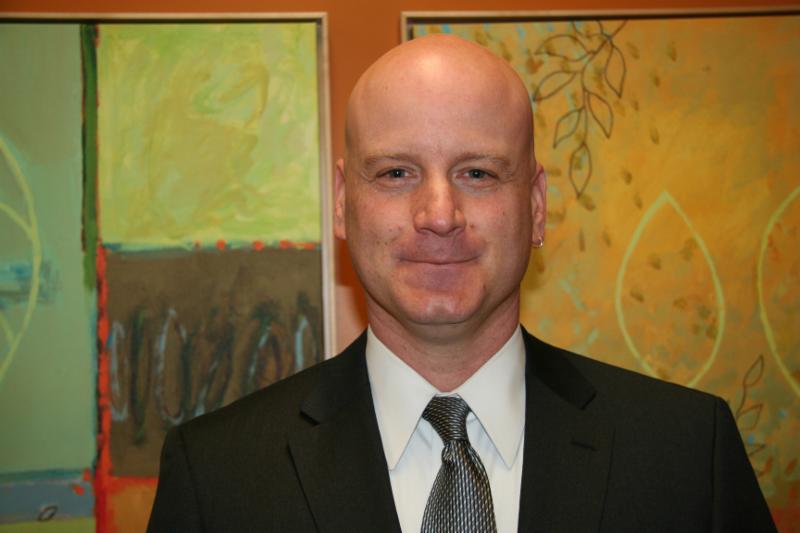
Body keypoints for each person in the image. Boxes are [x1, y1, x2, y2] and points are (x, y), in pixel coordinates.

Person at [147, 34, 775, 532]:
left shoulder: (688, 455)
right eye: (396, 173)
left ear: (535, 205)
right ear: (342, 203)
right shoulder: (217, 477)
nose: (440, 215)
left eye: (477, 173)